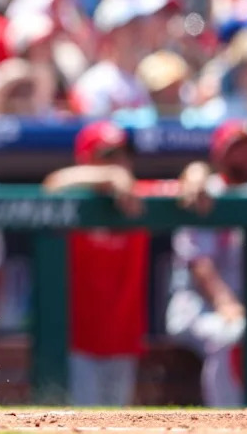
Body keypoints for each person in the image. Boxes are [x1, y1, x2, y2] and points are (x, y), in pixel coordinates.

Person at [43, 121, 149, 407]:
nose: (119, 163)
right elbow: (52, 185)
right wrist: (109, 176)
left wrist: (196, 173)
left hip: (124, 338)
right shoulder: (72, 195)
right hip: (77, 340)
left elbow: (188, 185)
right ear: (86, 159)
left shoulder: (140, 195)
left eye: (122, 155)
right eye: (108, 155)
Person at [169, 117, 247, 407]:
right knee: (228, 335)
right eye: (238, 147)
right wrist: (225, 302)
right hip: (197, 305)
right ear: (220, 152)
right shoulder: (203, 193)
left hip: (244, 308)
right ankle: (227, 422)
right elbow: (199, 264)